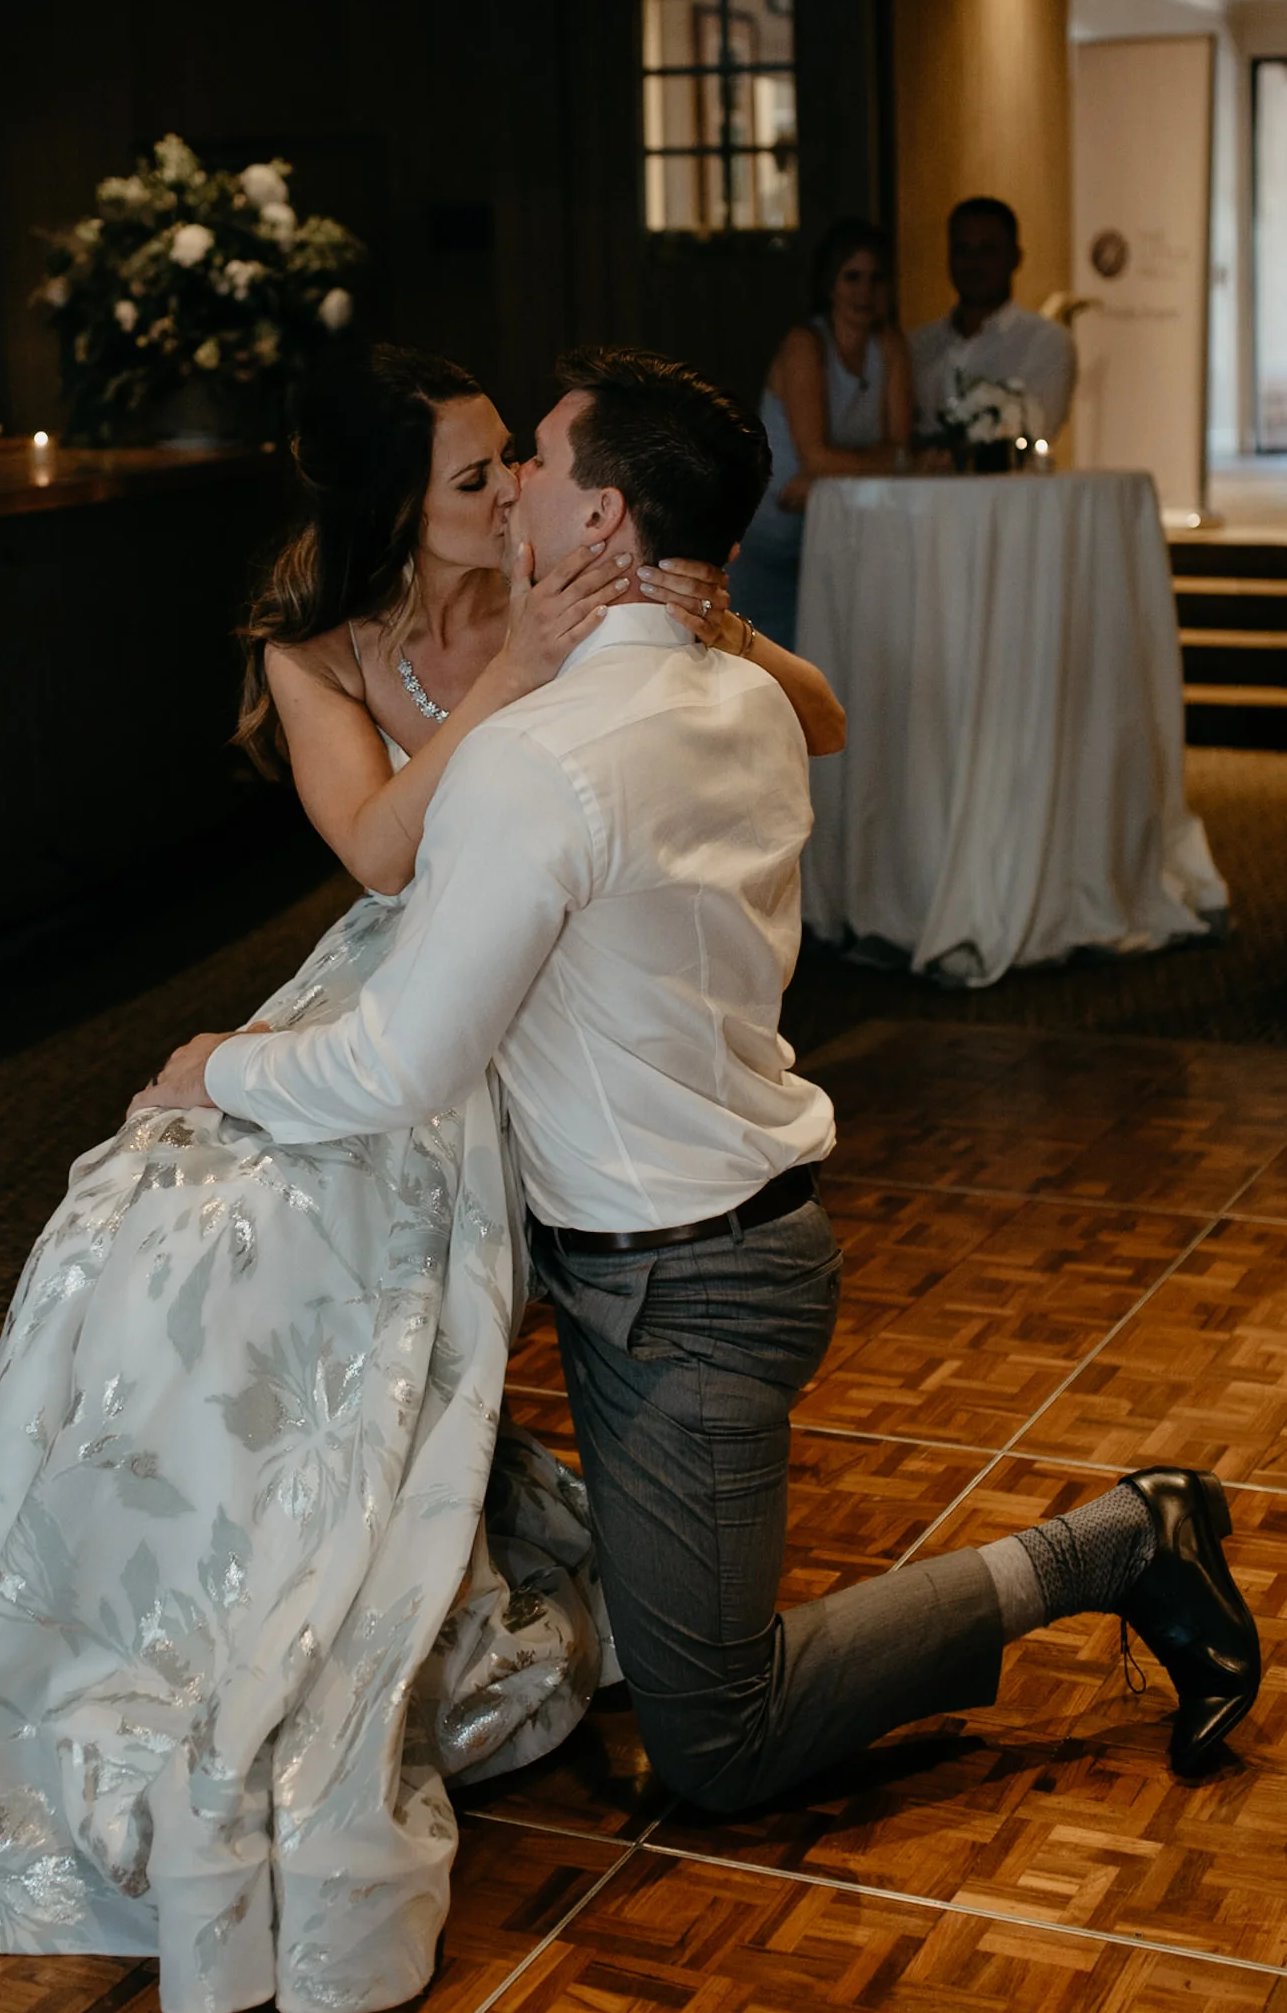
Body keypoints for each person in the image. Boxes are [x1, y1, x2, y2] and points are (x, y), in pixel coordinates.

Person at [0, 343, 845, 2013]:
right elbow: (379, 855)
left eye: (516, 458)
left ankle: (375, 1575)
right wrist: (520, 661)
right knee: (147, 1237)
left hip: (501, 1016)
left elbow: (791, 717)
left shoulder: (585, 612)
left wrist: (684, 614)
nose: (508, 485)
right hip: (396, 970)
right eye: (471, 474)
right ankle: (148, 1592)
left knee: (321, 1247)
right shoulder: (329, 654)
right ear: (402, 509)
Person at [155, 343, 1260, 1884]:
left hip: (684, 1285)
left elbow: (399, 1064)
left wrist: (216, 1068)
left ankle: (1121, 1541)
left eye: (533, 459)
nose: (515, 484)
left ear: (601, 521)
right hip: (668, 1234)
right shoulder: (738, 694)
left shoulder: (537, 765)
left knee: (717, 1741)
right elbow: (785, 715)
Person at [727, 217, 913, 652]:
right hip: (774, 538)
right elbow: (818, 458)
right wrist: (880, 463)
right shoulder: (805, 345)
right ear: (830, 283)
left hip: (841, 536)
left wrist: (837, 473)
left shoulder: (890, 346)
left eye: (876, 278)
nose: (864, 291)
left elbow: (901, 449)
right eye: (852, 277)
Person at [911, 195, 1077, 445]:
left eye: (987, 251)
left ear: (1015, 258)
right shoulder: (918, 345)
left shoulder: (1046, 342)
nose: (974, 263)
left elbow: (1034, 432)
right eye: (963, 250)